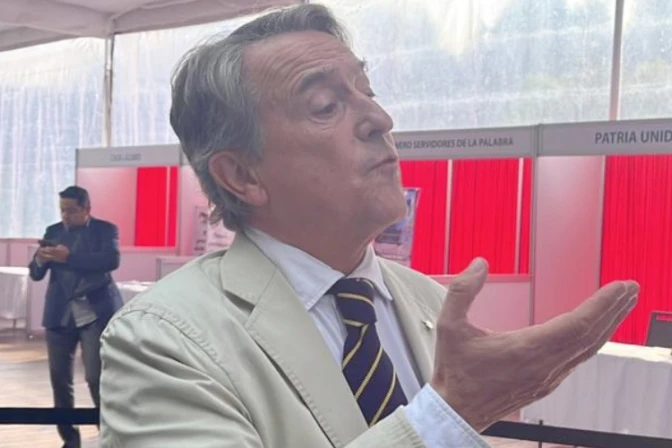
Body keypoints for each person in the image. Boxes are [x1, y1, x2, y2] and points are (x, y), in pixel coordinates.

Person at [98, 4, 638, 447]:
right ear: (242, 175)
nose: (381, 120)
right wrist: (450, 413)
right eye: (325, 105)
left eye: (368, 90)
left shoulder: (429, 303)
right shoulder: (164, 338)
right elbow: (442, 420)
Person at [29, 185, 123, 448]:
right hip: (60, 314)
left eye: (71, 210)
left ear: (86, 209)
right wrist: (40, 259)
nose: (65, 216)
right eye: (62, 210)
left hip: (94, 313)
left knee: (95, 377)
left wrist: (68, 257)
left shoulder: (106, 230)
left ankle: (108, 436)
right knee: (59, 379)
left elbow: (110, 261)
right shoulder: (53, 231)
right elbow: (35, 273)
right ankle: (70, 439)